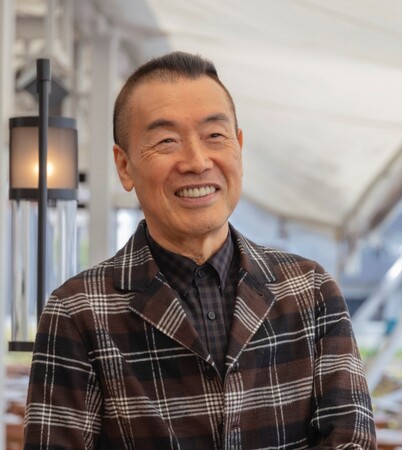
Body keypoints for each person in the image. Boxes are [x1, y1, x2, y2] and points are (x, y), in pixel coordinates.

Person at [24, 51, 377, 449]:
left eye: (214, 136)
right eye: (166, 141)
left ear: (238, 147)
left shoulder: (310, 291)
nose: (196, 161)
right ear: (124, 166)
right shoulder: (78, 311)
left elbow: (352, 441)